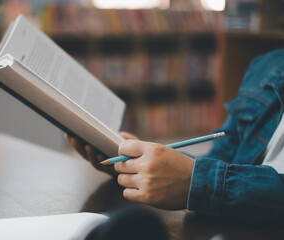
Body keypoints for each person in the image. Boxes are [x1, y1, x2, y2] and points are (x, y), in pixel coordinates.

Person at [67, 49, 284, 226]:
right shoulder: (268, 66)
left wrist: (196, 181)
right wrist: (142, 162)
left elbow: (208, 176)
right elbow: (221, 161)